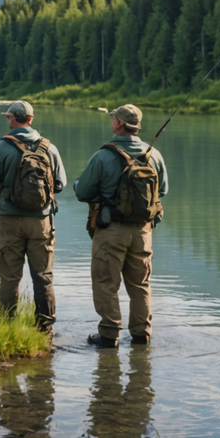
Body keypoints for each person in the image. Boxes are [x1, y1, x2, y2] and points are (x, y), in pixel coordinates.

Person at [73, 104, 168, 348]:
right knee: (140, 284)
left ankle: (109, 334)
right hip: (143, 231)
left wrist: (78, 184)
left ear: (118, 124)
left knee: (106, 282)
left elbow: (83, 192)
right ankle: (141, 334)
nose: (113, 121)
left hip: (110, 230)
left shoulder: (103, 155)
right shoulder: (154, 155)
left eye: (114, 118)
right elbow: (163, 191)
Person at [0, 100, 66, 334]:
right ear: (31, 119)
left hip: (8, 221)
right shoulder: (50, 148)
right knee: (43, 276)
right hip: (41, 222)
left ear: (10, 118)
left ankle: (6, 324)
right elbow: (60, 184)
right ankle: (45, 327)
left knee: (9, 276)